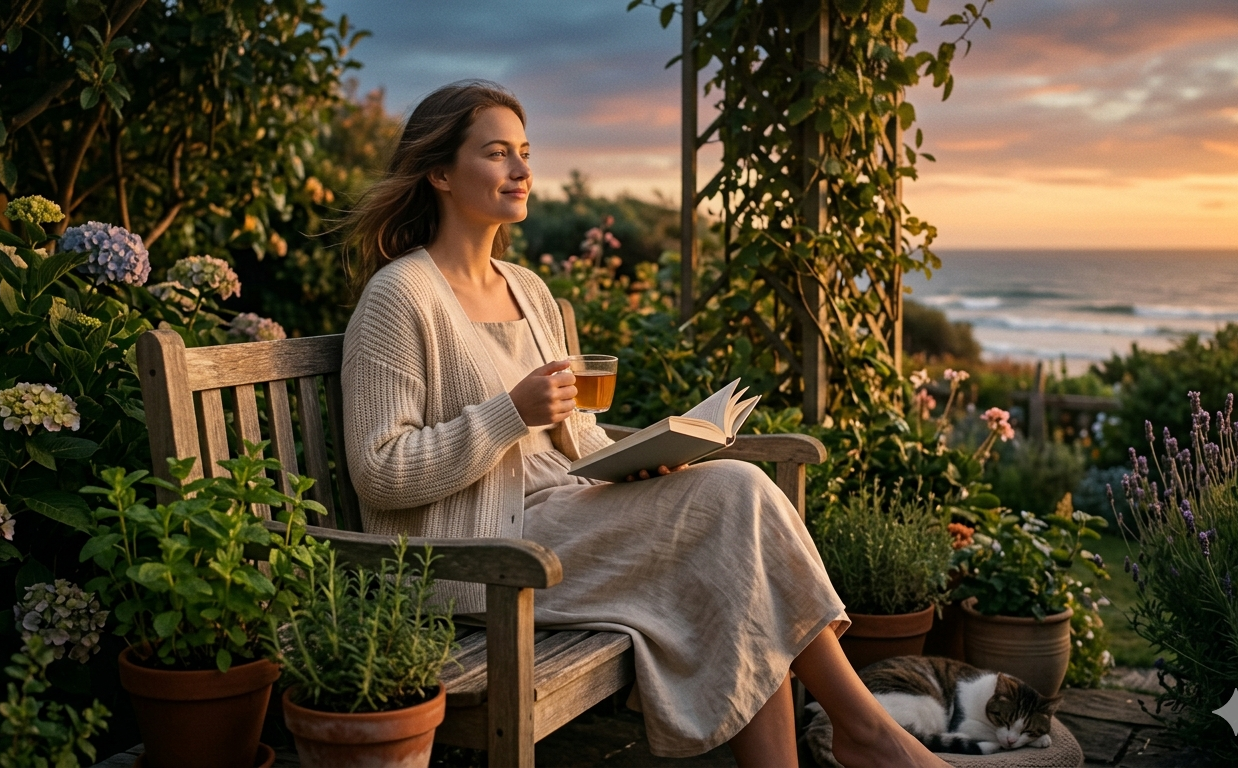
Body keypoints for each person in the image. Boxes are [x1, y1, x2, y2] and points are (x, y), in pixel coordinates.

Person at [337, 80, 948, 768]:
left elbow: (575, 437)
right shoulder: (400, 296)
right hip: (488, 553)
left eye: (526, 153)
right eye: (498, 153)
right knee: (738, 499)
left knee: (734, 522)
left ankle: (860, 737)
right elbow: (379, 469)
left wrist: (644, 460)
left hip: (565, 514)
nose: (521, 170)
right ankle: (868, 734)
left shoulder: (528, 289)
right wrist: (508, 412)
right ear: (441, 172)